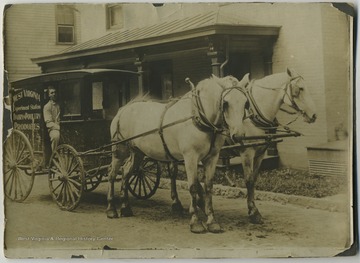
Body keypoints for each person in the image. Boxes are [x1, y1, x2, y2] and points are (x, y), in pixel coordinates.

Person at [43, 86, 60, 152]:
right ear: (49, 95)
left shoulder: (59, 105)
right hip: (52, 129)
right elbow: (48, 123)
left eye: (55, 92)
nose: (54, 94)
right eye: (52, 93)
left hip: (61, 126)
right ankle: (55, 155)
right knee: (56, 136)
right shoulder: (47, 107)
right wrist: (58, 127)